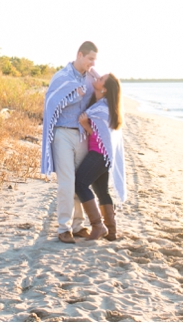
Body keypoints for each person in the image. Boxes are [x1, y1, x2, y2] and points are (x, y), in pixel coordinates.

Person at [41, 41, 99, 243]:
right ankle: (64, 228)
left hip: (82, 136)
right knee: (66, 182)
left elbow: (102, 92)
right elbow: (51, 102)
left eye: (94, 60)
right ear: (80, 54)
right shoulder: (62, 77)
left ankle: (78, 225)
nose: (92, 63)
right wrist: (75, 95)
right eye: (90, 59)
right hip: (63, 134)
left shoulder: (92, 77)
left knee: (80, 181)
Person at [74, 73, 126, 241]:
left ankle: (98, 225)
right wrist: (95, 75)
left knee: (79, 183)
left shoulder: (102, 108)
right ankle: (111, 231)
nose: (96, 78)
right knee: (101, 191)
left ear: (104, 88)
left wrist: (85, 125)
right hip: (104, 156)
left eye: (101, 79)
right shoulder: (102, 105)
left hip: (99, 154)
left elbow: (100, 136)